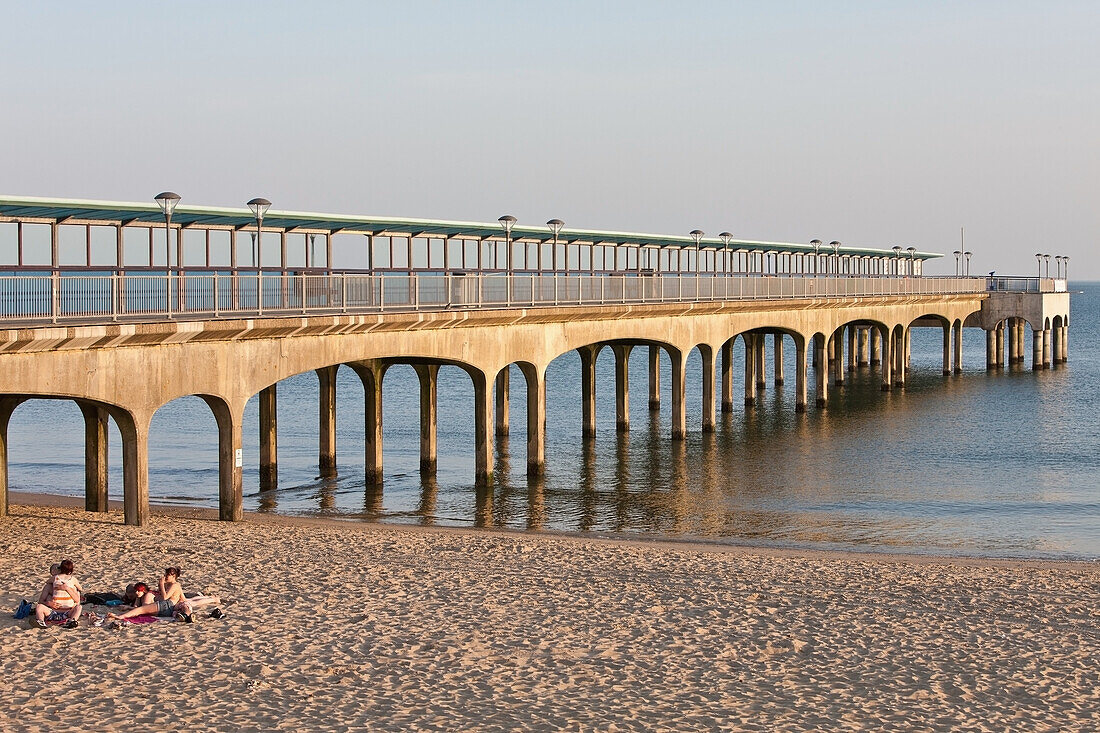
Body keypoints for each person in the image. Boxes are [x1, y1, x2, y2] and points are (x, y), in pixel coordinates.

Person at [106, 566, 221, 622]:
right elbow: (179, 598)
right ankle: (211, 599)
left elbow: (165, 597)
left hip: (168, 604)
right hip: (169, 607)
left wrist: (160, 584)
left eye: (168, 575)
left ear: (174, 576)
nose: (165, 577)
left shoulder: (175, 585)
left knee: (141, 610)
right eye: (165, 575)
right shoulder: (169, 585)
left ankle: (213, 599)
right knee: (191, 601)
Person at [34, 559, 81, 629]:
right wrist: (48, 603)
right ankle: (41, 622)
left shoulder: (70, 584)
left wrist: (67, 588)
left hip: (67, 612)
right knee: (39, 606)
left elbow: (77, 600)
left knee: (79, 607)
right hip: (53, 612)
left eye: (59, 568)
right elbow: (40, 601)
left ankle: (72, 621)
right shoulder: (49, 586)